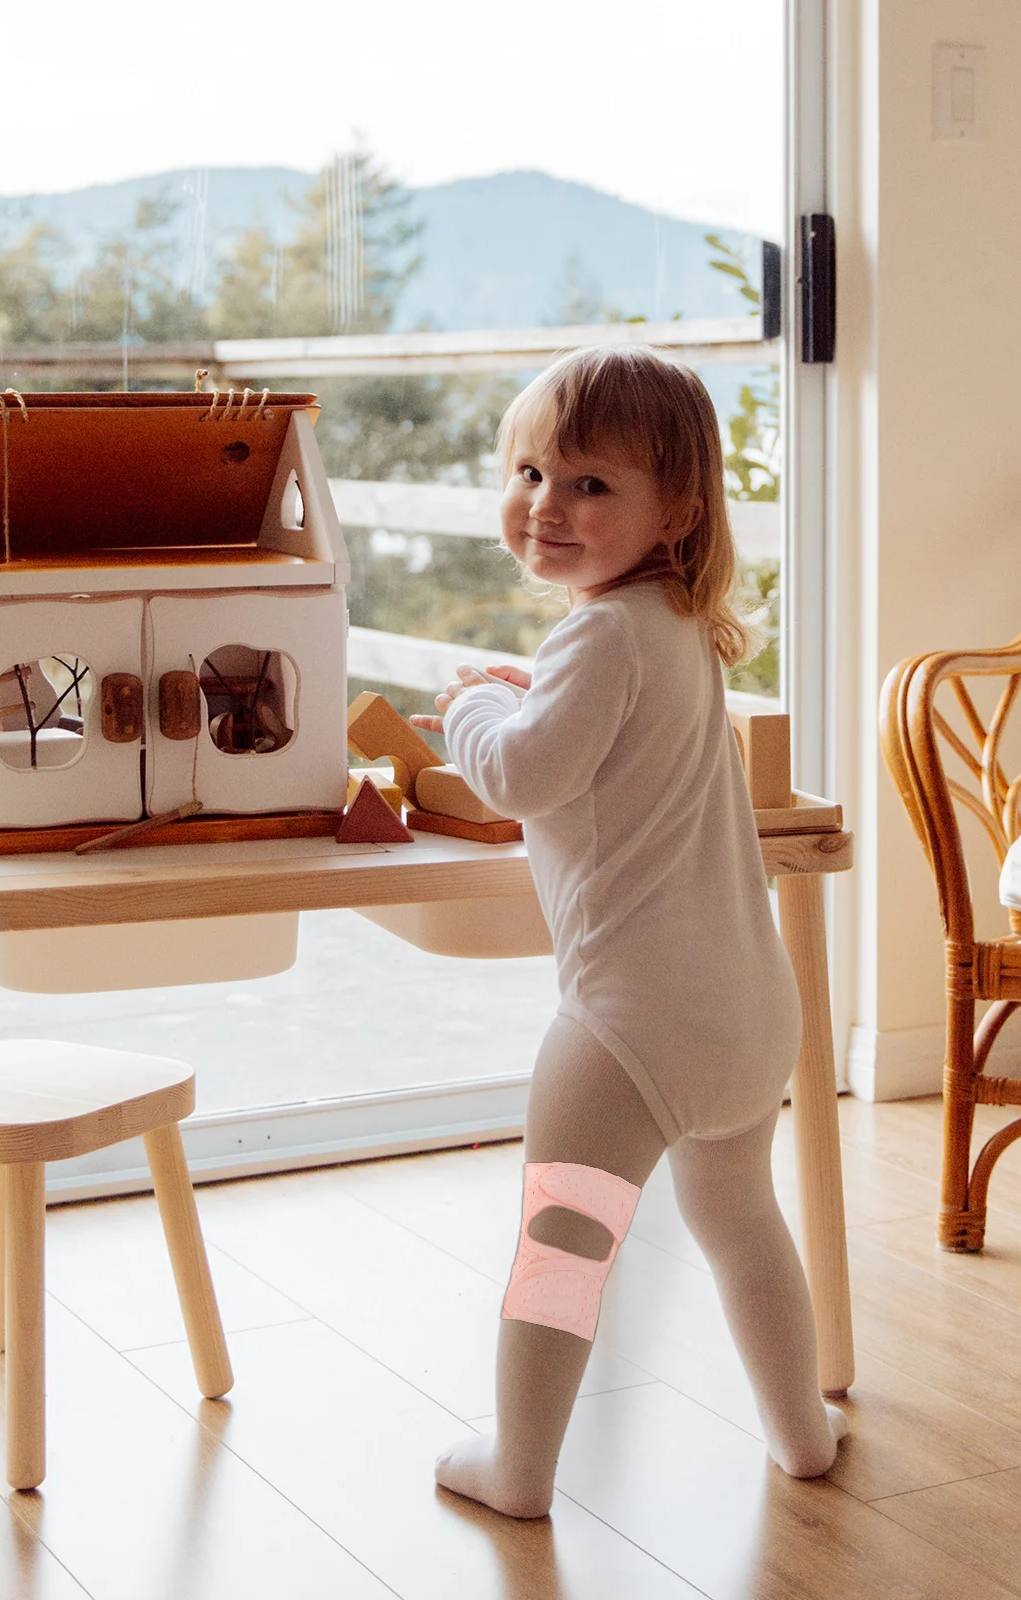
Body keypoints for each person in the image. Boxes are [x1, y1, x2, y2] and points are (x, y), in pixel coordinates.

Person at [410, 345, 847, 1519]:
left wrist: (471, 703)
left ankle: (521, 1468)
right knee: (741, 1220)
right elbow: (603, 744)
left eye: (589, 484)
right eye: (528, 473)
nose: (545, 505)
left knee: (564, 1244)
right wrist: (526, 697)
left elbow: (520, 774)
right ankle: (801, 1433)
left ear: (676, 512)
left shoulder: (598, 636)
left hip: (629, 1025)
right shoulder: (675, 626)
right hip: (748, 1008)